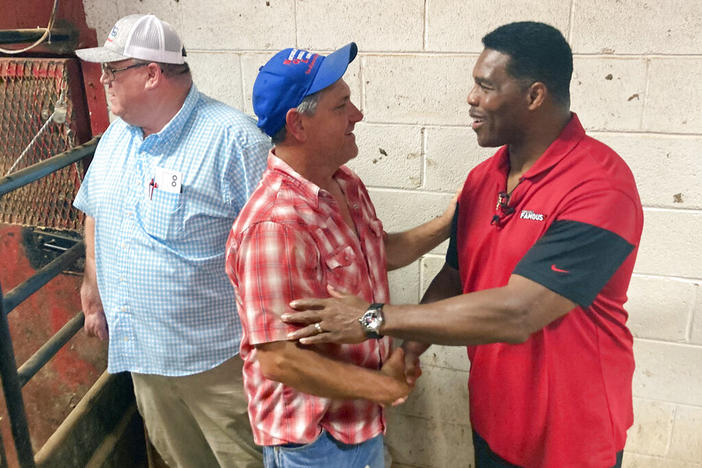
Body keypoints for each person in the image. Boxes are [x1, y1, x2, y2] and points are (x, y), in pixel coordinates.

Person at [283, 22, 644, 468]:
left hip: (572, 433)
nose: (471, 98)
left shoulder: (599, 186)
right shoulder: (482, 180)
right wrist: (409, 350)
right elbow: (455, 276)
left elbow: (520, 312)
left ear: (534, 96)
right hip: (494, 417)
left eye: (485, 86)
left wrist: (375, 319)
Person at [225, 43, 455, 468]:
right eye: (341, 106)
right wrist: (382, 387)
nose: (358, 115)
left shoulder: (344, 183)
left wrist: (447, 222)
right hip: (315, 443)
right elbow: (279, 360)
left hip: (359, 423)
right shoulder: (276, 225)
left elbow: (378, 254)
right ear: (298, 124)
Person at [73, 14, 269, 468]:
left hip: (218, 366)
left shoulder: (234, 141)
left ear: (152, 73)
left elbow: (276, 250)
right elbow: (96, 210)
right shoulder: (115, 138)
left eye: (111, 70)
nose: (102, 80)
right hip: (142, 356)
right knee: (180, 459)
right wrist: (92, 284)